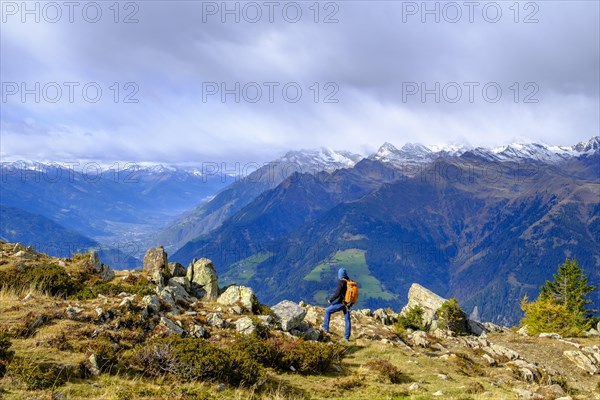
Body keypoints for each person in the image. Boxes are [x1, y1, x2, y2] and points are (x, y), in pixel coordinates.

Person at [321, 267, 352, 340]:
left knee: (327, 311)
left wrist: (331, 300)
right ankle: (346, 337)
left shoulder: (341, 282)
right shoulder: (350, 281)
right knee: (347, 319)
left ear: (340, 275)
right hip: (349, 304)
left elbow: (338, 293)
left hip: (341, 303)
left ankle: (325, 329)